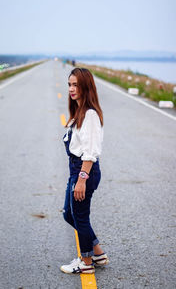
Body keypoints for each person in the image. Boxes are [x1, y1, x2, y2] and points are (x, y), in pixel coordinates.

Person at [60, 68, 109, 274]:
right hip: (77, 171)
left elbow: (90, 152)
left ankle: (87, 263)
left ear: (86, 86)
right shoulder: (79, 112)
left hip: (83, 171)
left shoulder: (89, 115)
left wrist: (81, 179)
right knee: (69, 214)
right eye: (70, 84)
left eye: (76, 85)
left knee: (80, 217)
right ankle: (97, 253)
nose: (72, 89)